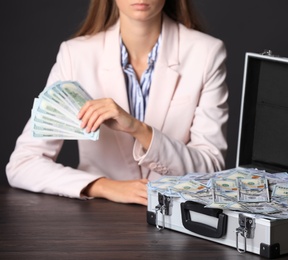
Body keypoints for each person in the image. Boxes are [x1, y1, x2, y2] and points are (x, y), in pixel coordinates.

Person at [5, 0, 228, 206]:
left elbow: (211, 169)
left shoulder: (206, 53)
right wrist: (103, 186)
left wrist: (139, 129)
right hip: (98, 218)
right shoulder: (76, 55)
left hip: (178, 218)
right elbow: (23, 164)